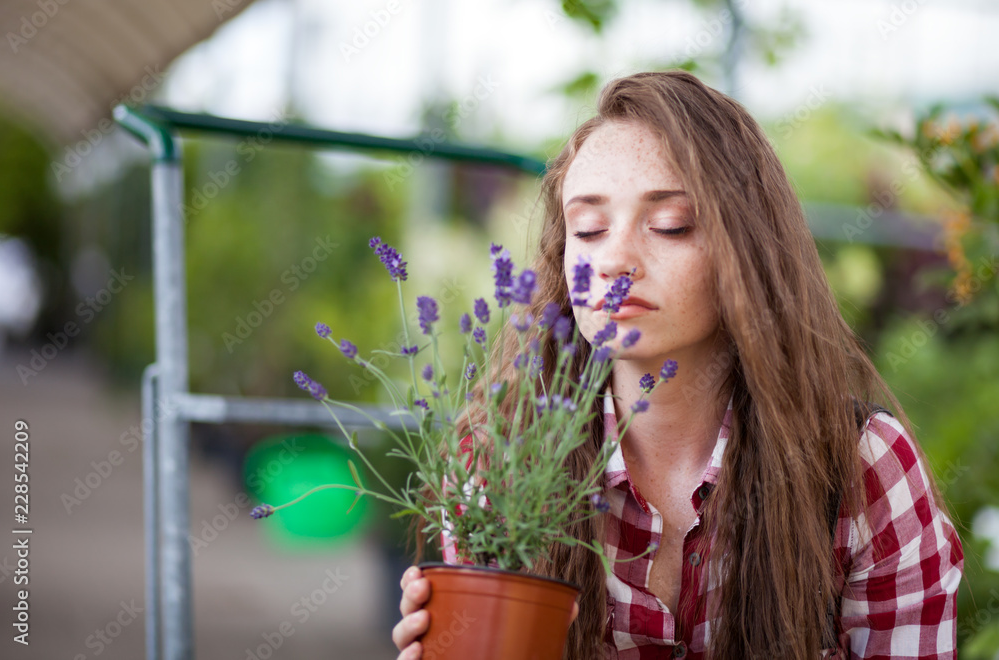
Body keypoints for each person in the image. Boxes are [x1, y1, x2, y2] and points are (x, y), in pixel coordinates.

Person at [391, 70, 964, 659]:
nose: (614, 259)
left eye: (670, 225)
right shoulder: (497, 459)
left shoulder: (862, 469)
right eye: (587, 230)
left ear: (748, 247)